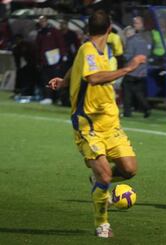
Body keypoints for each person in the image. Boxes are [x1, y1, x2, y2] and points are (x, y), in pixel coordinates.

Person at [47, 10, 146, 238]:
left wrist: (63, 81)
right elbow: (92, 77)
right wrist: (129, 68)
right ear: (110, 28)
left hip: (110, 122)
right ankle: (102, 224)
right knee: (106, 177)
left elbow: (78, 68)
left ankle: (97, 179)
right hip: (88, 125)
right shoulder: (87, 49)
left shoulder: (105, 50)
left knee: (129, 170)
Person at [36, 15, 67, 105]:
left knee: (56, 79)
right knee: (46, 79)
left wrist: (63, 55)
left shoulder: (54, 31)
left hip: (55, 60)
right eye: (40, 21)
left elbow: (60, 43)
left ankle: (59, 98)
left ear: (47, 21)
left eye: (43, 21)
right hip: (45, 61)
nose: (42, 23)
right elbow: (38, 47)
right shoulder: (40, 33)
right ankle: (48, 97)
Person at [122, 23, 151, 118]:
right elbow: (147, 54)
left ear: (128, 33)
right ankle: (146, 107)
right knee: (138, 91)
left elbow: (128, 55)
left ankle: (127, 112)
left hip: (132, 69)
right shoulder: (143, 40)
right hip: (142, 70)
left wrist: (119, 58)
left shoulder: (131, 41)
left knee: (127, 91)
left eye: (125, 34)